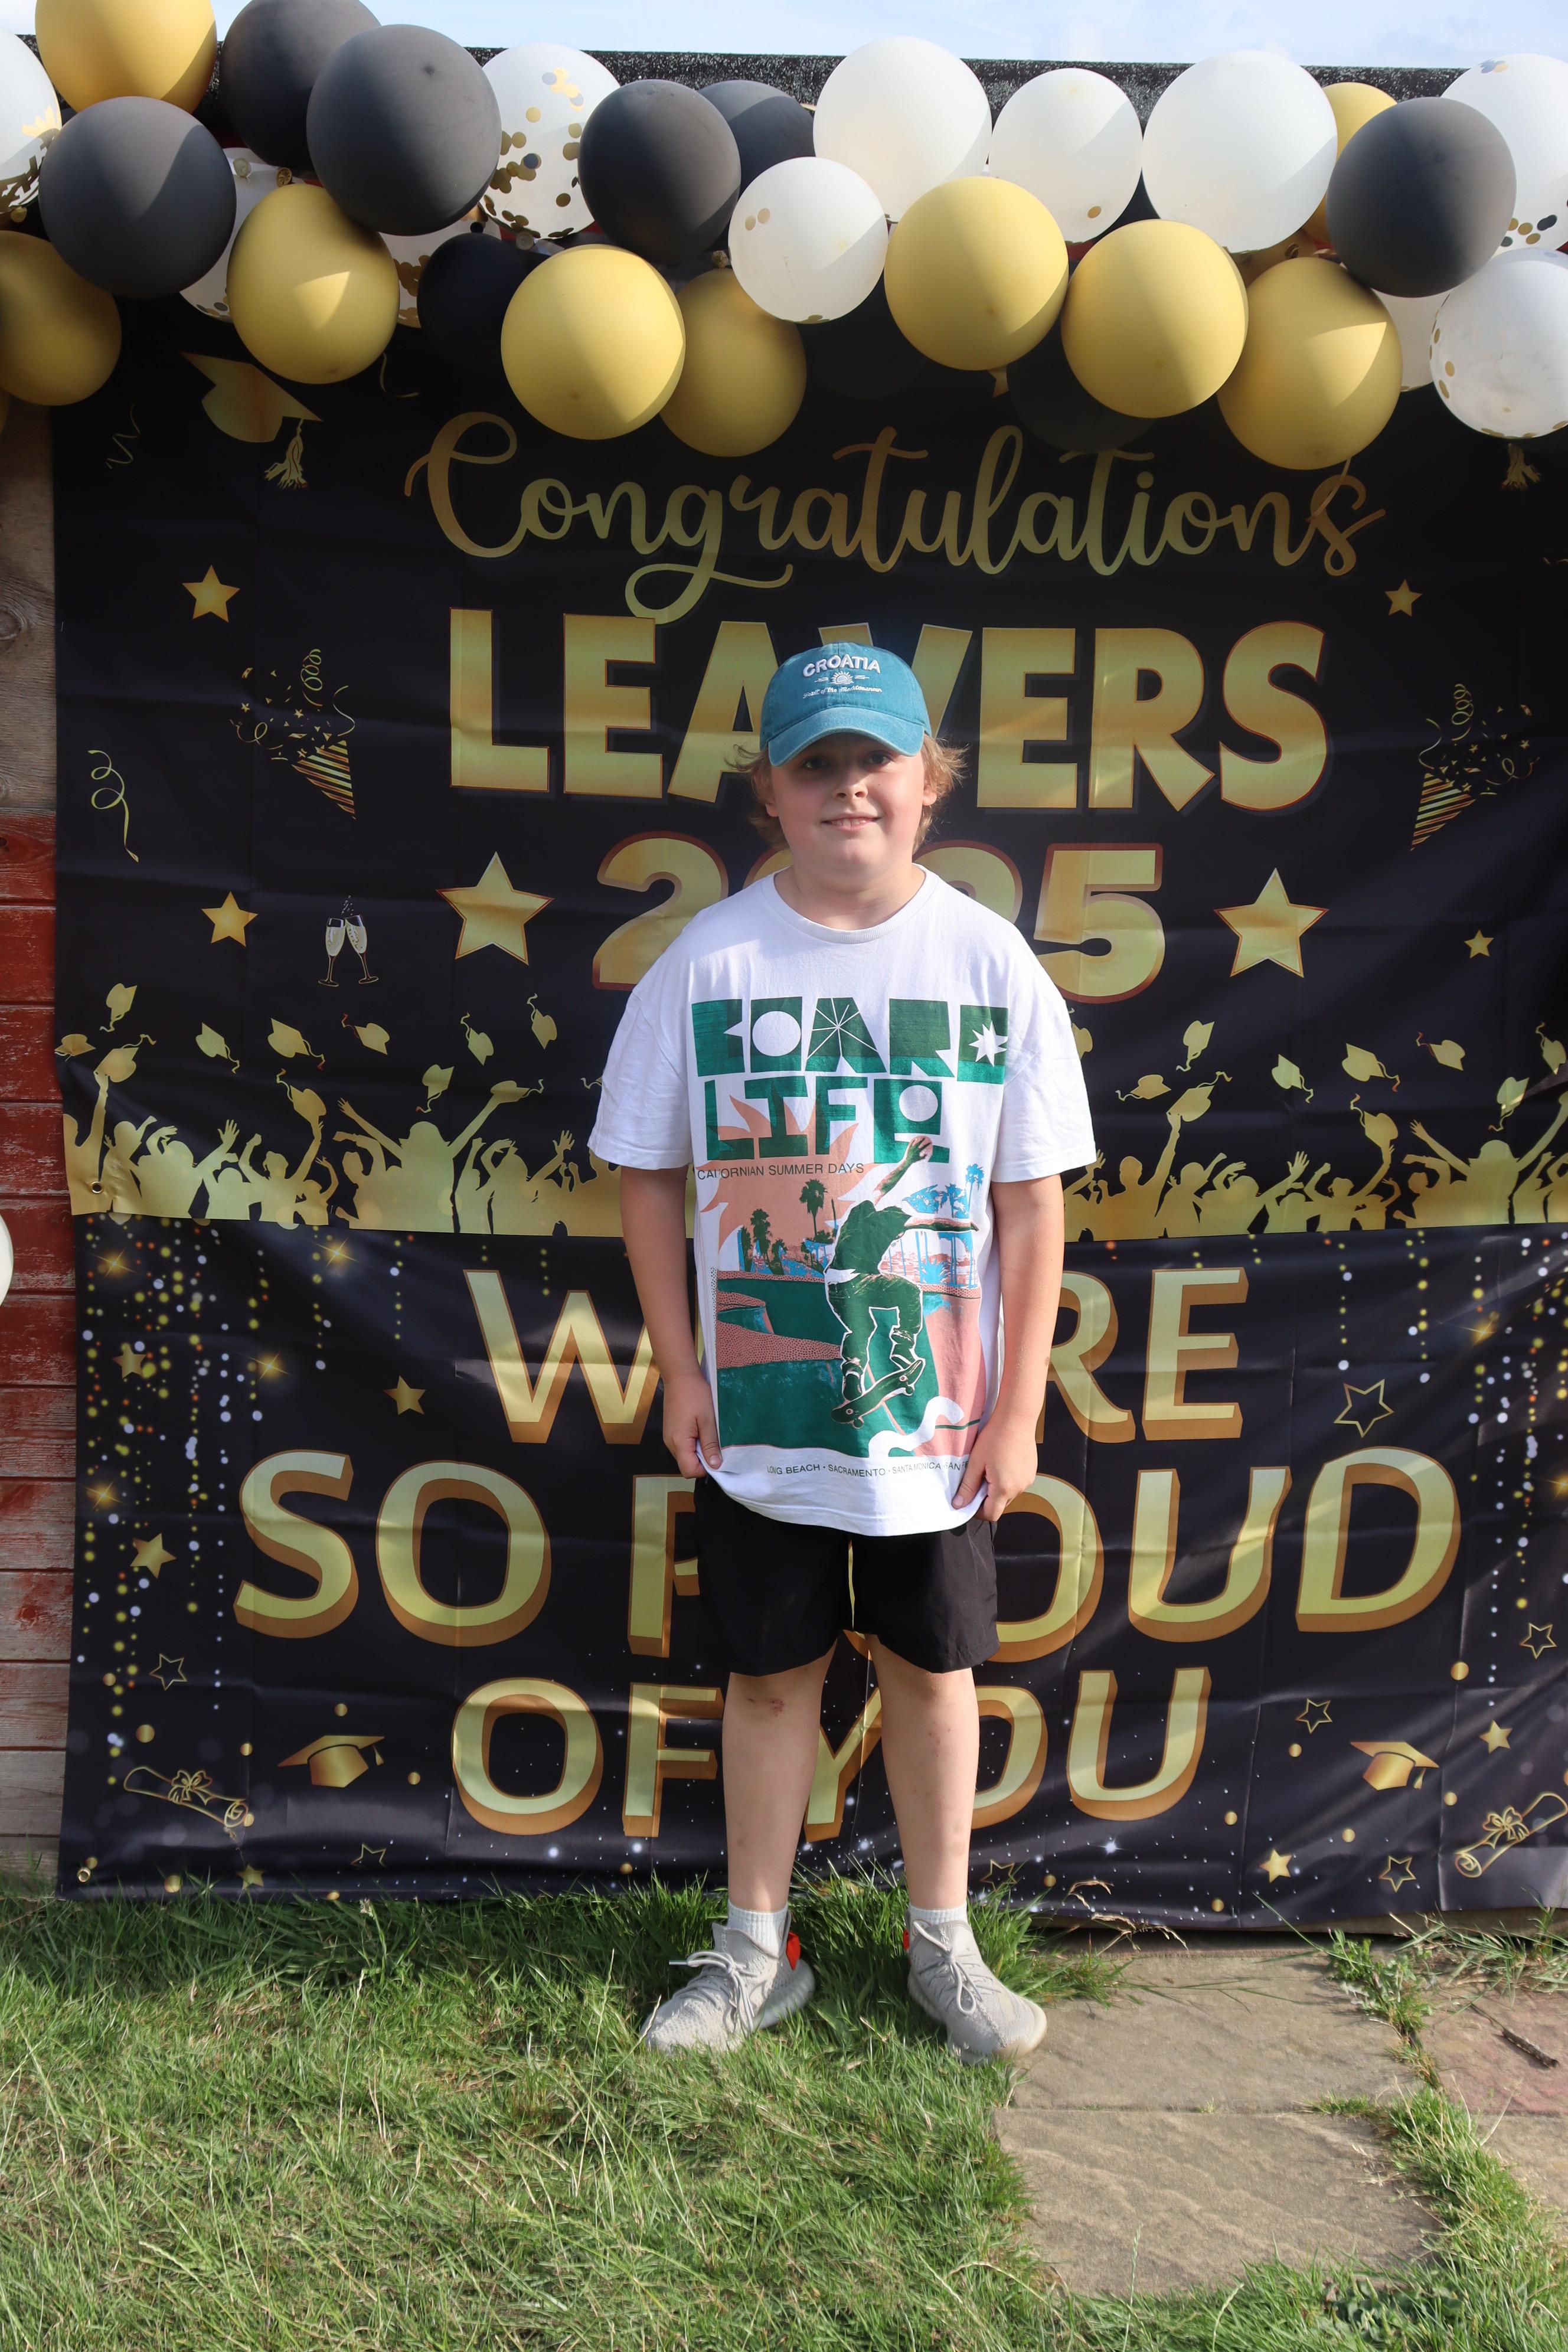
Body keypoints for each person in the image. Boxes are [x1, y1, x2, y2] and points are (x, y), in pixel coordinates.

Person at [590, 643, 1094, 2061]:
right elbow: (643, 1172)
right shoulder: (709, 961)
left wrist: (1016, 1406)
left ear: (928, 782)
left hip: (937, 1428)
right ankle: (757, 1952)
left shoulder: (987, 961)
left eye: (875, 760)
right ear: (769, 790)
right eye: (816, 763)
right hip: (764, 1415)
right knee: (766, 1678)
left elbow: (1030, 1201)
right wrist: (684, 1368)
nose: (848, 788)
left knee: (932, 1673)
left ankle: (944, 1949)